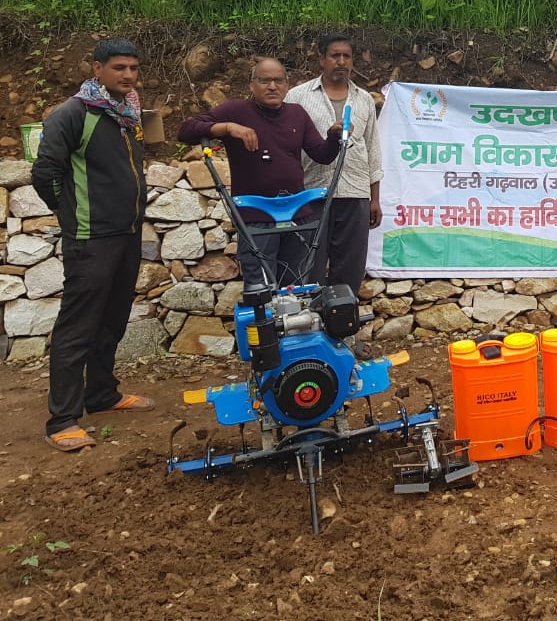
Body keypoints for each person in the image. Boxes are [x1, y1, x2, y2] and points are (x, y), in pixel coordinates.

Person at [32, 38, 152, 452]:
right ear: (97, 69)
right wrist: (73, 216)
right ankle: (61, 419)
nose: (128, 75)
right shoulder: (72, 114)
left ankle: (102, 394)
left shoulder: (125, 113)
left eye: (133, 68)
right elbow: (45, 172)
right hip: (90, 238)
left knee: (113, 319)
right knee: (78, 327)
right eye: (119, 68)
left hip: (126, 233)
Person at [177, 58, 342, 292]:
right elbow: (186, 130)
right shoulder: (236, 110)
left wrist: (334, 136)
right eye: (264, 81)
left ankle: (294, 328)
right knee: (261, 290)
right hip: (257, 217)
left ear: (287, 85)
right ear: (251, 85)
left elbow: (322, 155)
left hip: (297, 215)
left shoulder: (297, 113)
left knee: (296, 289)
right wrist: (227, 128)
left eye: (278, 80)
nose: (272, 86)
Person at [285, 34, 382, 296]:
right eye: (334, 55)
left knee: (350, 266)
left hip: (355, 193)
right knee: (309, 263)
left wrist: (374, 198)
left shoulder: (363, 100)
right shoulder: (298, 96)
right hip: (311, 192)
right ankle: (311, 324)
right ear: (321, 59)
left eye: (346, 56)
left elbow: (372, 148)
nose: (341, 61)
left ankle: (343, 325)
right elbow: (288, 144)